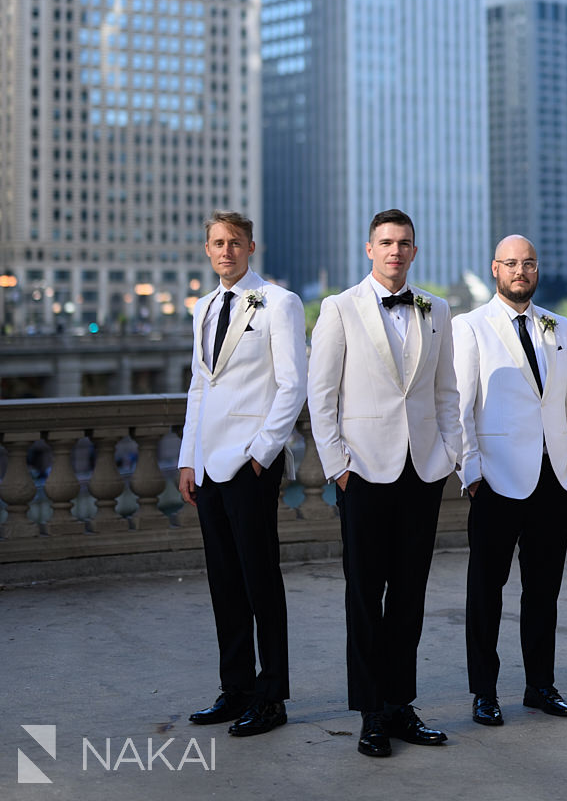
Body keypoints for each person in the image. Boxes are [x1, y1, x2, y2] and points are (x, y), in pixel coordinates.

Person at [307, 208, 461, 759]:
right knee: (365, 595)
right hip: (364, 472)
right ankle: (372, 712)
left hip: (422, 471)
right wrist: (338, 466)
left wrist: (448, 455)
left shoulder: (436, 308)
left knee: (411, 596)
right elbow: (321, 395)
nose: (396, 251)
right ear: (369, 249)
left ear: (415, 252)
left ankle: (401, 704)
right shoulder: (339, 308)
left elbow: (446, 392)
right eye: (386, 242)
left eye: (405, 243)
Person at [453, 235, 567, 728]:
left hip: (555, 479)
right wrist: (470, 471)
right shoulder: (469, 326)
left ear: (537, 269)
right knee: (485, 591)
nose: (520, 271)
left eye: (528, 263)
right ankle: (484, 692)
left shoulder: (560, 326)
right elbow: (460, 406)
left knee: (543, 590)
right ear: (494, 269)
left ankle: (540, 685)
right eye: (511, 263)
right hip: (494, 478)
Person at [178, 211, 306, 737]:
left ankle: (271, 696)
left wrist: (262, 452)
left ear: (252, 246)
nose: (225, 251)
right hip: (208, 466)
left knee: (260, 583)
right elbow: (199, 386)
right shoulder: (204, 307)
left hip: (251, 465)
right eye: (216, 243)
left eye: (234, 242)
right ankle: (235, 690)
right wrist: (188, 457)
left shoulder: (280, 302)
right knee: (223, 583)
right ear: (206, 250)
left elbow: (292, 384)